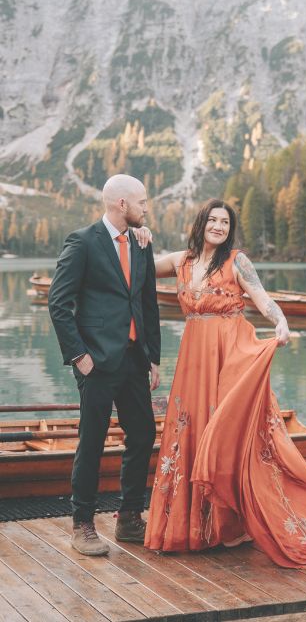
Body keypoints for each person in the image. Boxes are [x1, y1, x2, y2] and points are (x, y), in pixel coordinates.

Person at [140, 200, 306, 567]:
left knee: (232, 434)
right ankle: (204, 528)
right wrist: (137, 235)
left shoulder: (237, 261)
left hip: (231, 357)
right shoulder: (180, 261)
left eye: (225, 222)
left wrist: (281, 321)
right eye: (213, 220)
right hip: (194, 360)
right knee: (191, 432)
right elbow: (135, 266)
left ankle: (241, 521)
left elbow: (263, 299)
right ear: (201, 223)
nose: (219, 226)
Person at [48, 174, 161, 555]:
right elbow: (58, 303)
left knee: (143, 435)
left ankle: (129, 519)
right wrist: (78, 356)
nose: (147, 208)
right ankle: (83, 524)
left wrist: (154, 357)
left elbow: (147, 303)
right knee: (92, 442)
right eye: (142, 202)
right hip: (95, 361)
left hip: (133, 359)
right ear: (122, 205)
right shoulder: (83, 242)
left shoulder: (141, 243)